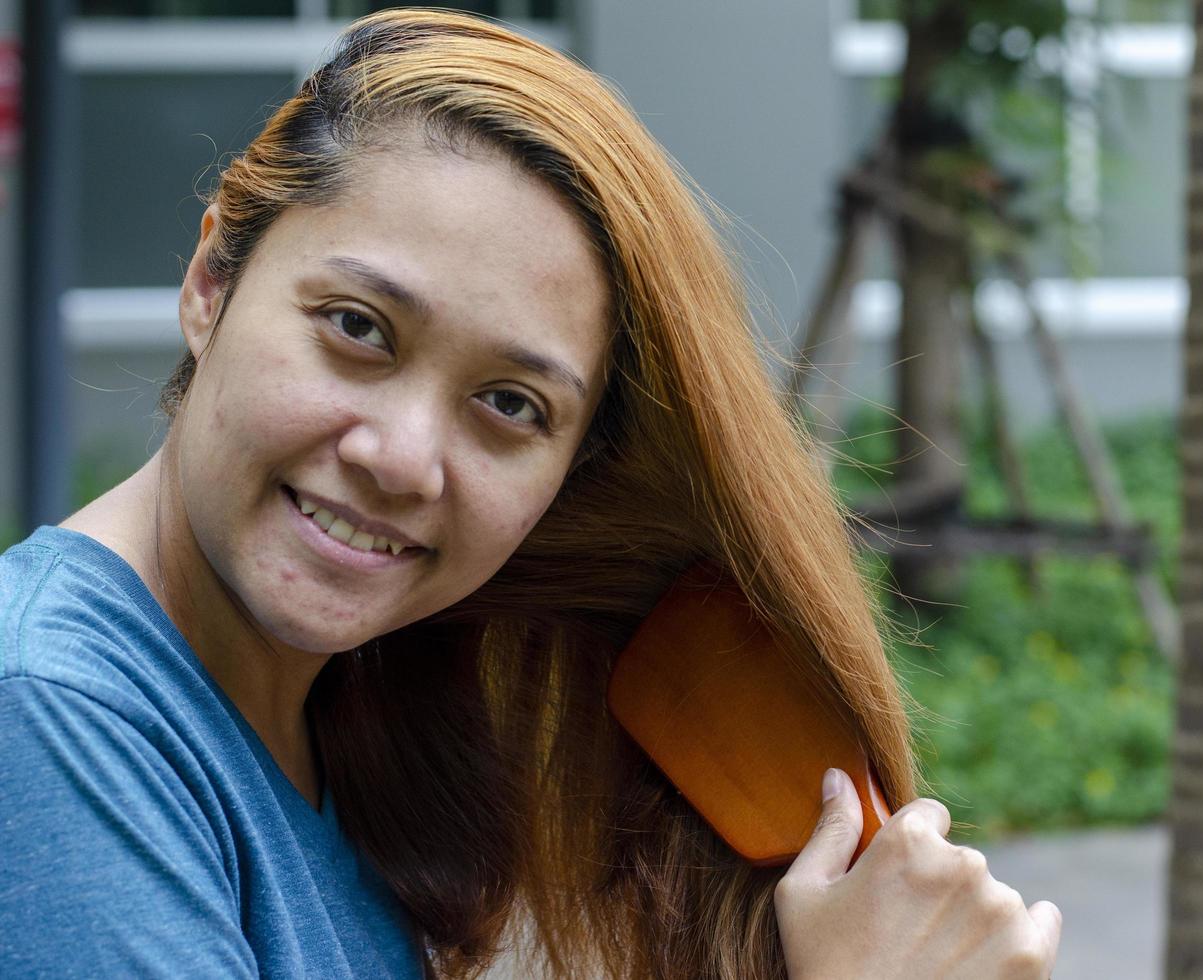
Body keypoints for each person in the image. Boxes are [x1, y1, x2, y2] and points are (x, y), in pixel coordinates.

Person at [0, 9, 1061, 979]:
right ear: (211, 285)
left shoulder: (340, 719)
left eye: (509, 403)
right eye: (357, 327)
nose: (405, 458)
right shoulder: (52, 715)